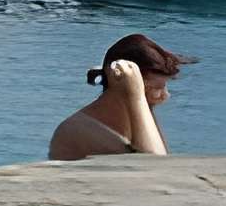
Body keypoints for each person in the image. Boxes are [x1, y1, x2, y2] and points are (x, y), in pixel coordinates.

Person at [50, 33, 190, 160]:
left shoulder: (136, 120)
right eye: (155, 88)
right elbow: (155, 165)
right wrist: (136, 95)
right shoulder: (78, 130)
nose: (165, 96)